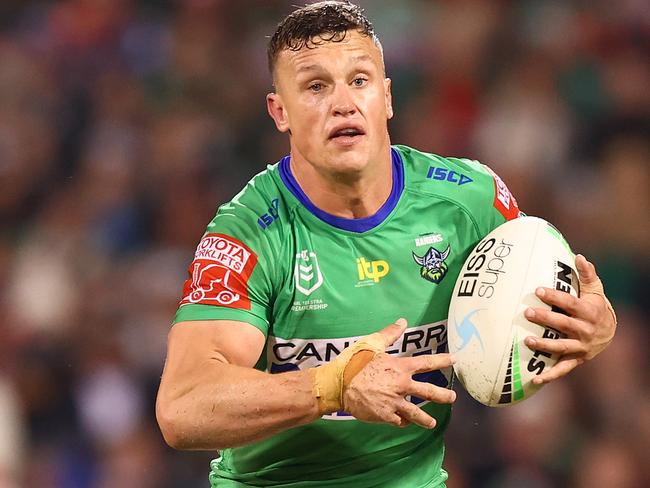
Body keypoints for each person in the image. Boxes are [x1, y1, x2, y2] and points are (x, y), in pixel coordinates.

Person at [155, 2, 617, 487]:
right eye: (316, 87)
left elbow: (538, 308)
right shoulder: (249, 233)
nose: (343, 103)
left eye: (360, 80)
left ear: (387, 96)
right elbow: (182, 407)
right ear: (280, 112)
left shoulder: (468, 201)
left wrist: (591, 328)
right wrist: (332, 386)